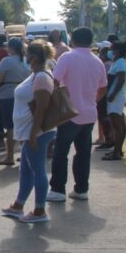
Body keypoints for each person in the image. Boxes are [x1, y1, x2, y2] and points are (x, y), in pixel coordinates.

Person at [48, 28, 108, 203]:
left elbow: (54, 81)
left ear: (72, 40)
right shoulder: (97, 61)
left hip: (69, 112)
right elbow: (103, 87)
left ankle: (58, 189)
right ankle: (81, 189)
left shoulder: (67, 57)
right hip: (89, 113)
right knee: (83, 153)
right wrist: (92, 100)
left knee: (61, 151)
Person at [0, 41, 58, 224]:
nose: (24, 57)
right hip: (29, 132)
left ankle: (40, 210)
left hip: (37, 133)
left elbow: (41, 108)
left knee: (38, 170)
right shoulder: (35, 75)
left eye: (26, 54)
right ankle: (18, 206)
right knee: (26, 171)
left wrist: (34, 133)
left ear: (32, 57)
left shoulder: (41, 77)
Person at [0, 38, 29, 165]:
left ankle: (9, 156)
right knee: (23, 125)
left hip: (8, 95)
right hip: (24, 96)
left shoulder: (6, 61)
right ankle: (25, 155)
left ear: (11, 48)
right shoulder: (26, 61)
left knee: (10, 127)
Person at [102, 41, 126, 161]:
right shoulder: (118, 62)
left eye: (112, 49)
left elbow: (120, 79)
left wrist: (112, 94)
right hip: (116, 97)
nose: (110, 52)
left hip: (116, 97)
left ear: (117, 51)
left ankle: (116, 153)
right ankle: (117, 150)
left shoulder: (120, 63)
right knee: (119, 125)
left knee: (117, 126)